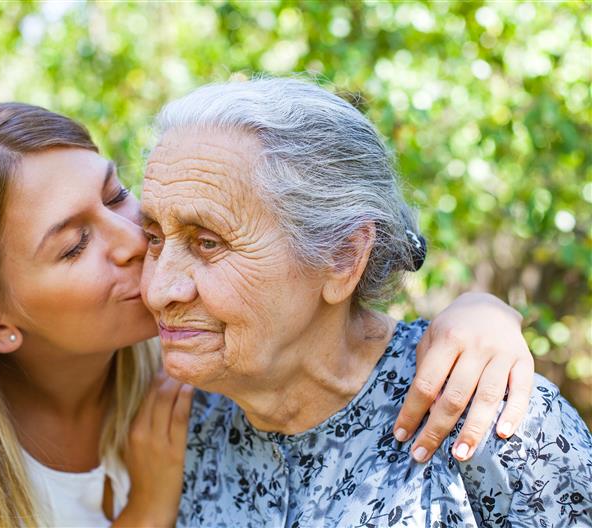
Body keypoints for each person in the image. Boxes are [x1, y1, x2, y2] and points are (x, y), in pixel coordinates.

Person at [0, 102, 536, 527]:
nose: (136, 243)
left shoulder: (199, 356)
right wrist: (148, 508)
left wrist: (482, 313)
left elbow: (318, 308)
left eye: (114, 196)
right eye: (74, 245)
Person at [140, 78, 592, 527]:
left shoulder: (489, 411)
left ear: (342, 257)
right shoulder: (174, 423)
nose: (159, 290)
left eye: (208, 242)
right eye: (154, 238)